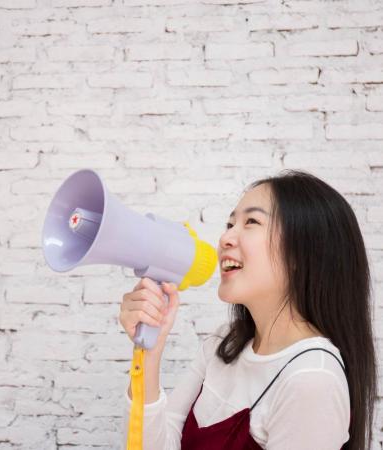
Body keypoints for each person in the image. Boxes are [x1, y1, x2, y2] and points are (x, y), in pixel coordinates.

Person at [119, 169, 377, 450]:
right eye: (230, 223)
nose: (226, 238)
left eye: (251, 221)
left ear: (302, 252)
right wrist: (150, 351)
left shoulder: (312, 380)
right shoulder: (224, 343)